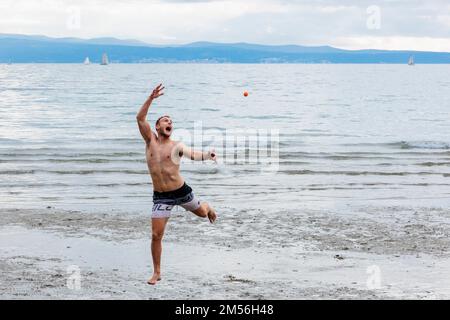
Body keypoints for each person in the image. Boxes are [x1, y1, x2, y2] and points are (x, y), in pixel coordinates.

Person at [136, 83, 218, 285]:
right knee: (156, 235)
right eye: (165, 120)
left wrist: (208, 155)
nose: (169, 122)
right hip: (161, 196)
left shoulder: (177, 146)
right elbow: (140, 118)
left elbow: (194, 154)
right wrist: (151, 98)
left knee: (201, 214)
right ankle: (157, 272)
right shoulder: (150, 142)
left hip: (181, 192)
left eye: (171, 121)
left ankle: (207, 207)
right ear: (157, 127)